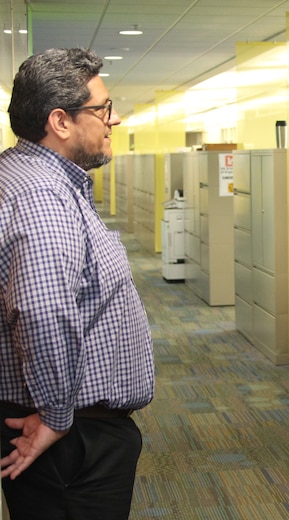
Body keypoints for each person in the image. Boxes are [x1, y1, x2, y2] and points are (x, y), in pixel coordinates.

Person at [0, 48, 155, 519]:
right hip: (74, 443)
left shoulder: (37, 179)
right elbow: (42, 310)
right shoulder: (42, 196)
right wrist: (56, 416)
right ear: (60, 122)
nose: (115, 119)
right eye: (102, 109)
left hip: (75, 434)